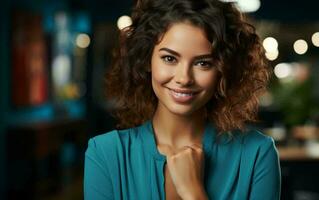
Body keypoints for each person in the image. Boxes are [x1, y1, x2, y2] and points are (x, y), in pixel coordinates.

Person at [84, 0, 281, 199]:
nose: (184, 78)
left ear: (223, 71)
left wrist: (193, 191)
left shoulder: (257, 155)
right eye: (169, 59)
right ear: (146, 60)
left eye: (203, 63)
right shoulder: (105, 153)